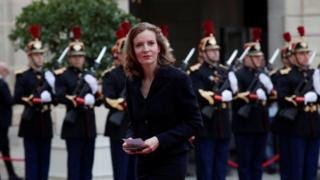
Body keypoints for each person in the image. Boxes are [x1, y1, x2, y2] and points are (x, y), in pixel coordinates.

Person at [122, 22, 203, 180]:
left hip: (172, 159)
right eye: (139, 45)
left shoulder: (178, 79)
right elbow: (133, 122)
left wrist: (159, 140)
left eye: (151, 43)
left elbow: (195, 123)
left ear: (159, 47)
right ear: (132, 51)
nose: (146, 49)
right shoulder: (131, 81)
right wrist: (130, 139)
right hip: (143, 161)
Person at [189, 20, 232, 180]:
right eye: (211, 50)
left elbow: (232, 91)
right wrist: (215, 97)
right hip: (206, 126)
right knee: (206, 169)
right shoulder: (196, 72)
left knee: (221, 169)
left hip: (223, 126)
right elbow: (195, 93)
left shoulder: (224, 71)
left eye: (216, 50)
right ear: (203, 53)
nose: (215, 53)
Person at [230, 28, 274, 180]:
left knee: (257, 163)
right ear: (246, 58)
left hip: (262, 123)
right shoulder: (238, 74)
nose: (259, 60)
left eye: (260, 57)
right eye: (255, 57)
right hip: (245, 124)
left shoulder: (262, 74)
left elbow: (272, 99)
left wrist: (269, 91)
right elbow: (235, 98)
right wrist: (253, 96)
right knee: (245, 162)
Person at [55, 26, 98, 180]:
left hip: (89, 128)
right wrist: (77, 100)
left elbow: (98, 99)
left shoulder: (89, 75)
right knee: (74, 169)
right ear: (69, 58)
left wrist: (95, 94)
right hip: (73, 127)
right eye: (74, 56)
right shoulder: (63, 75)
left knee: (88, 169)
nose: (78, 59)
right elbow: (58, 97)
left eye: (80, 56)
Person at [278, 26, 320, 180]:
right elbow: (282, 98)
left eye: (306, 53)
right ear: (294, 56)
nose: (305, 56)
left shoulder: (313, 73)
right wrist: (303, 98)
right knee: (297, 168)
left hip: (313, 125)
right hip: (296, 126)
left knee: (311, 168)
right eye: (301, 54)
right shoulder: (287, 75)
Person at [13, 25, 54, 180]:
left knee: (45, 165)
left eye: (41, 55)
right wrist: (33, 99)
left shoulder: (48, 76)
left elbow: (56, 99)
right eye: (36, 55)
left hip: (45, 124)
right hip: (30, 125)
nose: (39, 58)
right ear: (29, 57)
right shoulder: (22, 76)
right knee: (32, 165)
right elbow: (16, 98)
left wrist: (54, 90)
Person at [102, 21, 136, 180]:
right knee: (121, 171)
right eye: (126, 52)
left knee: (134, 171)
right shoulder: (111, 75)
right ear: (120, 54)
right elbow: (107, 99)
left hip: (136, 129)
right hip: (119, 128)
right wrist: (124, 103)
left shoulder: (139, 74)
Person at [270, 32, 294, 179]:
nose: (289, 59)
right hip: (284, 118)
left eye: (291, 56)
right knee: (286, 159)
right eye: (287, 56)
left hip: (303, 121)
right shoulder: (277, 75)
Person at [0, 62, 22, 180]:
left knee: (5, 150)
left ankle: (11, 174)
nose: (7, 73)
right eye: (6, 70)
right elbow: (9, 101)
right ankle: (11, 174)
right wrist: (18, 97)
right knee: (3, 148)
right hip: (2, 123)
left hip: (3, 123)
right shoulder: (2, 84)